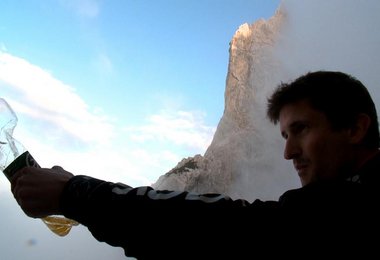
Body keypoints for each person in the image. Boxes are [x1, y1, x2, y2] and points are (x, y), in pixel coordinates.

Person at [10, 71, 380, 259]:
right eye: (285, 136)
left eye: (300, 130)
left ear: (354, 127)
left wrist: (74, 193)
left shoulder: (352, 209)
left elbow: (227, 231)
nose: (288, 153)